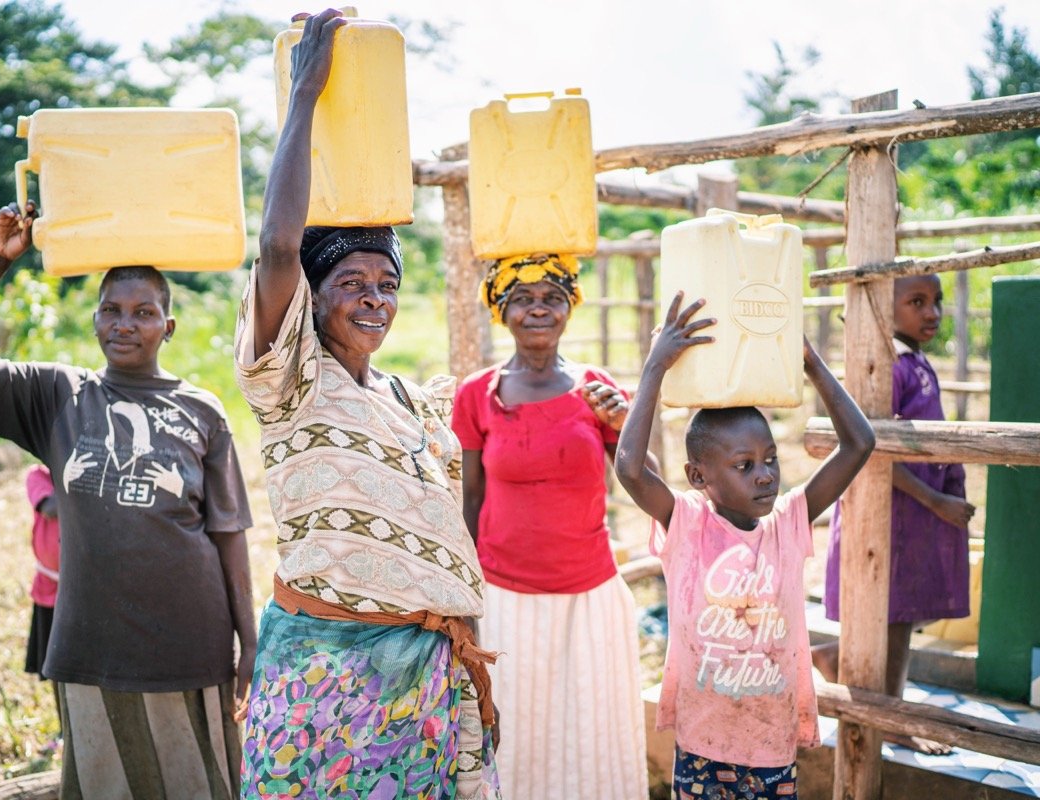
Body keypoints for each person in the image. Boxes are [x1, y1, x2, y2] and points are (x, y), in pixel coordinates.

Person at [233, 9, 499, 799]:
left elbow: (447, 539)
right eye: (350, 283)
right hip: (327, 668)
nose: (373, 299)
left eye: (386, 283)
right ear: (310, 300)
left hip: (426, 675)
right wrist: (306, 94)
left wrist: (473, 688)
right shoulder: (290, 381)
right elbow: (280, 245)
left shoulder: (411, 400)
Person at [0, 202, 257, 798]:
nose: (125, 324)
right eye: (111, 311)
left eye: (144, 312)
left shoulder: (202, 410)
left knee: (199, 783)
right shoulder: (56, 394)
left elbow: (228, 533)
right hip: (92, 644)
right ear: (95, 321)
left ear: (167, 327)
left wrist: (248, 643)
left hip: (192, 644)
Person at [613, 292, 875, 799]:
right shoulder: (687, 524)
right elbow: (628, 467)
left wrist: (810, 362)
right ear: (698, 476)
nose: (765, 476)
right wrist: (655, 368)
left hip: (770, 742)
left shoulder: (789, 523)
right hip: (702, 742)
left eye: (770, 459)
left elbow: (859, 444)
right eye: (744, 465)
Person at [450, 254, 649, 799]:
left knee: (589, 728)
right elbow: (469, 499)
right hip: (504, 595)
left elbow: (643, 483)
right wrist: (463, 600)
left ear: (569, 308)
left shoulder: (596, 390)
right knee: (515, 728)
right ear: (501, 310)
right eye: (522, 299)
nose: (538, 309)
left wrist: (622, 422)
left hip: (589, 594)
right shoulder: (476, 395)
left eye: (552, 298)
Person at [815, 273, 974, 754]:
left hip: (912, 518)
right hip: (889, 516)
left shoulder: (915, 361)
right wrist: (936, 501)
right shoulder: (886, 368)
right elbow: (873, 452)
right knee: (889, 615)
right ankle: (893, 721)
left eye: (937, 302)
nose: (932, 313)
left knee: (899, 618)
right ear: (884, 310)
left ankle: (838, 662)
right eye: (917, 302)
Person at [23, 463, 61, 743]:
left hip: (84, 589)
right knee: (57, 667)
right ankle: (65, 730)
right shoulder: (38, 476)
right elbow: (50, 508)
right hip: (50, 592)